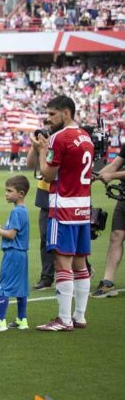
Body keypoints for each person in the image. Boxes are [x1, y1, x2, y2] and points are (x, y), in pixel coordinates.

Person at [33, 96, 94, 332]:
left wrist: (42, 150)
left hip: (64, 207)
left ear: (65, 113)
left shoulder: (60, 138)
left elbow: (47, 175)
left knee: (62, 262)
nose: (48, 119)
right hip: (82, 207)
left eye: (51, 114)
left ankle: (63, 319)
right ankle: (79, 316)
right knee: (80, 263)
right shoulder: (85, 137)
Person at [0, 176, 31, 331]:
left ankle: (0, 321)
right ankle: (22, 319)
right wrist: (1, 227)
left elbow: (11, 235)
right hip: (22, 254)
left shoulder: (17, 212)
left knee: (4, 286)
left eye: (9, 191)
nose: (6, 194)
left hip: (13, 254)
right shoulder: (22, 210)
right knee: (21, 287)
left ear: (20, 193)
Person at [27, 136, 57, 291]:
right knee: (45, 237)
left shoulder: (61, 140)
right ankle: (47, 277)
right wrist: (36, 148)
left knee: (66, 237)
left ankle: (83, 266)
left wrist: (45, 149)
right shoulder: (45, 143)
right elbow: (30, 164)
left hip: (62, 193)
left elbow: (49, 172)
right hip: (45, 194)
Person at [94, 155, 125, 297]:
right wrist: (94, 177)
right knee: (116, 236)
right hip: (123, 197)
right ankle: (108, 283)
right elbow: (114, 165)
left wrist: (112, 176)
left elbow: (113, 171)